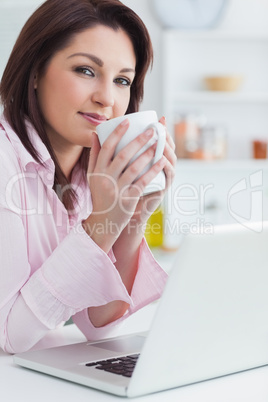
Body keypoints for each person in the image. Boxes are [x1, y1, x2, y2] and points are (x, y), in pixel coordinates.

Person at [0, 0, 176, 354]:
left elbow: (98, 326)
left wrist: (131, 219)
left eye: (122, 80)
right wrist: (102, 223)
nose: (106, 98)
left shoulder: (91, 171)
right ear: (35, 71)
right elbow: (10, 337)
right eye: (85, 70)